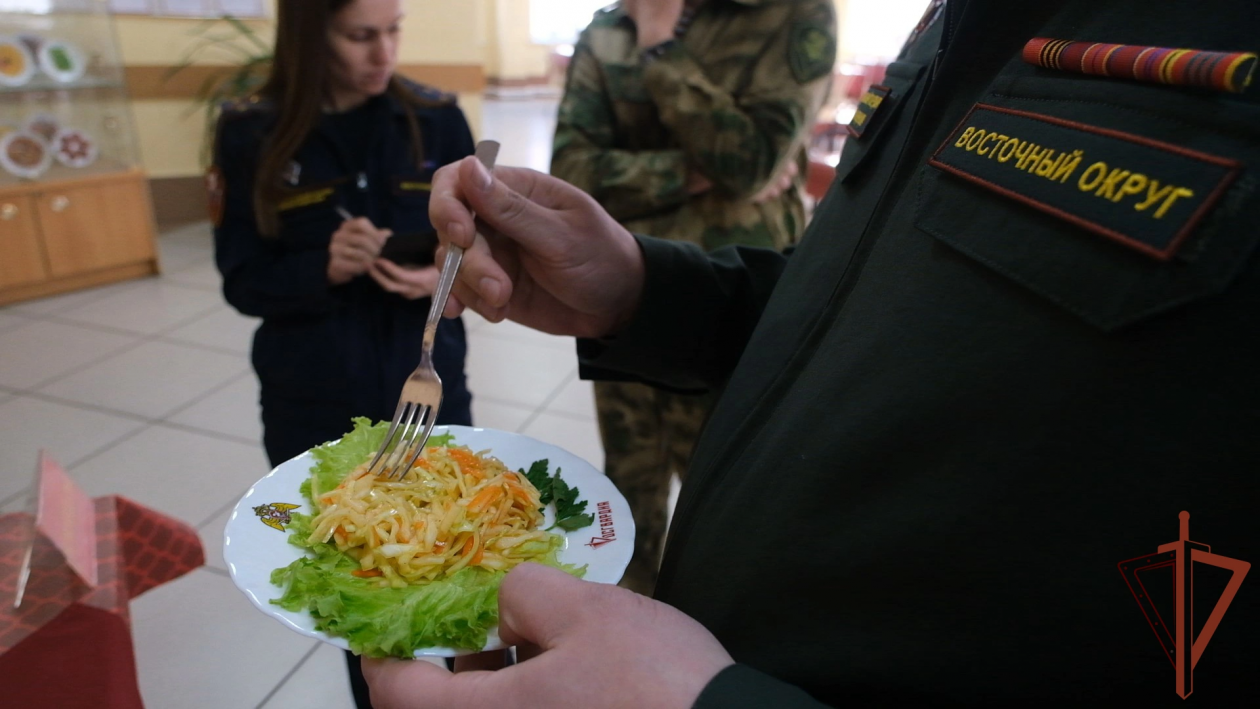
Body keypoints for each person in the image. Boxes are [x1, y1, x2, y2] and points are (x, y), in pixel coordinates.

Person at [369, 0, 1260, 705]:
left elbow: (753, 160)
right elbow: (870, 297)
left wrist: (714, 703)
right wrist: (648, 290)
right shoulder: (972, 19)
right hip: (711, 598)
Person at [209, 0, 475, 706]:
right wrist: (319, 268)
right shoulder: (251, 131)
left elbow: (474, 252)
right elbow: (241, 279)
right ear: (308, 34)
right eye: (360, 36)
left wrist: (438, 279)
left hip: (423, 385)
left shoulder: (436, 117)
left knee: (448, 570)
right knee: (359, 597)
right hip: (313, 397)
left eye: (393, 31)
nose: (382, 53)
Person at [551, 0, 836, 595]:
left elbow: (753, 161)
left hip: (733, 309)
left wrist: (660, 48)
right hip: (622, 296)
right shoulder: (608, 27)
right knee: (626, 488)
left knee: (735, 499)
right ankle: (623, 641)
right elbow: (572, 173)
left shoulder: (791, 14)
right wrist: (694, 170)